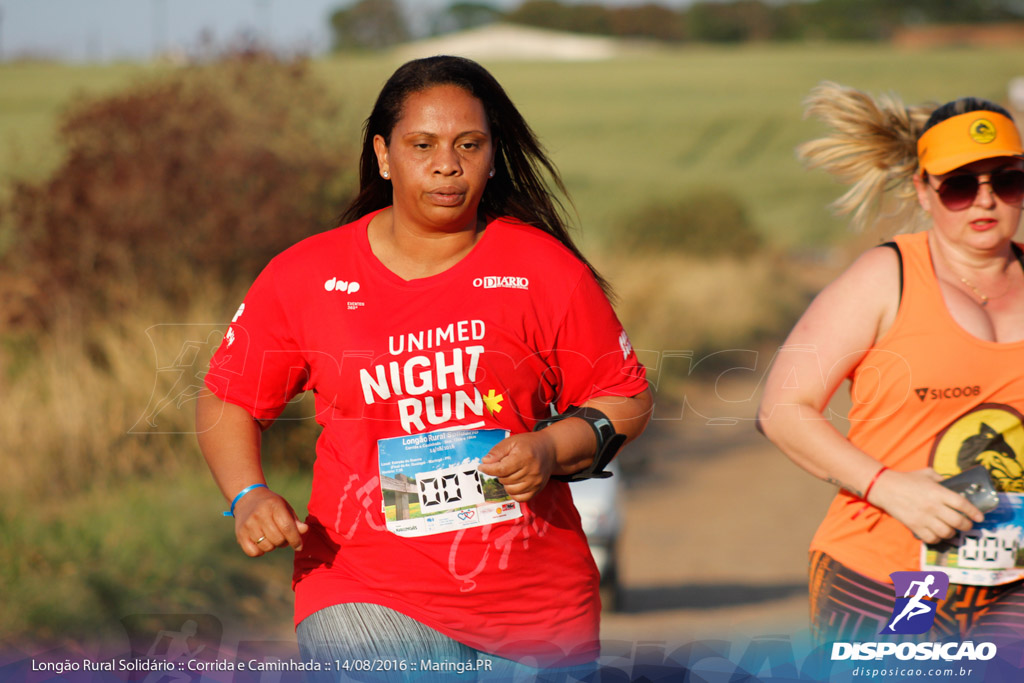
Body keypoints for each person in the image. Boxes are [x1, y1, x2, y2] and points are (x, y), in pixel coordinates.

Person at [196, 55, 652, 677]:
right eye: (423, 144)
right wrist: (247, 494)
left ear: (493, 156)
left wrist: (548, 448)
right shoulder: (306, 276)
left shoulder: (543, 270)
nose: (447, 164)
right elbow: (230, 396)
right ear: (384, 155)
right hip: (361, 588)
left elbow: (623, 397)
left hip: (536, 612)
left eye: (470, 144)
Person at [757, 81, 1024, 646]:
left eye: (1006, 180)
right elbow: (783, 409)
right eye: (958, 185)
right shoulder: (885, 278)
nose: (985, 200)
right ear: (922, 190)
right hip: (891, 577)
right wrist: (890, 488)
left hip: (1013, 588)